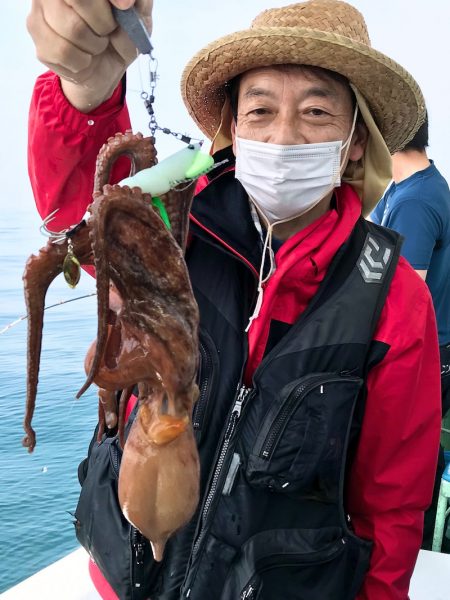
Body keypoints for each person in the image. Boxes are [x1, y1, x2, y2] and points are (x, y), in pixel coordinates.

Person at [26, 1, 442, 599]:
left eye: (318, 111)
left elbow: (391, 508)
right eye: (260, 110)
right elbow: (76, 220)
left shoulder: (396, 301)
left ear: (354, 143)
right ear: (234, 129)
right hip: (125, 580)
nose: (283, 135)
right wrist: (83, 94)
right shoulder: (174, 226)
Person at [370, 115, 450, 549]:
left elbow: (403, 293)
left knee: (405, 458)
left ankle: (412, 545)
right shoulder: (404, 187)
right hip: (427, 346)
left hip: (425, 352)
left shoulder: (416, 201)